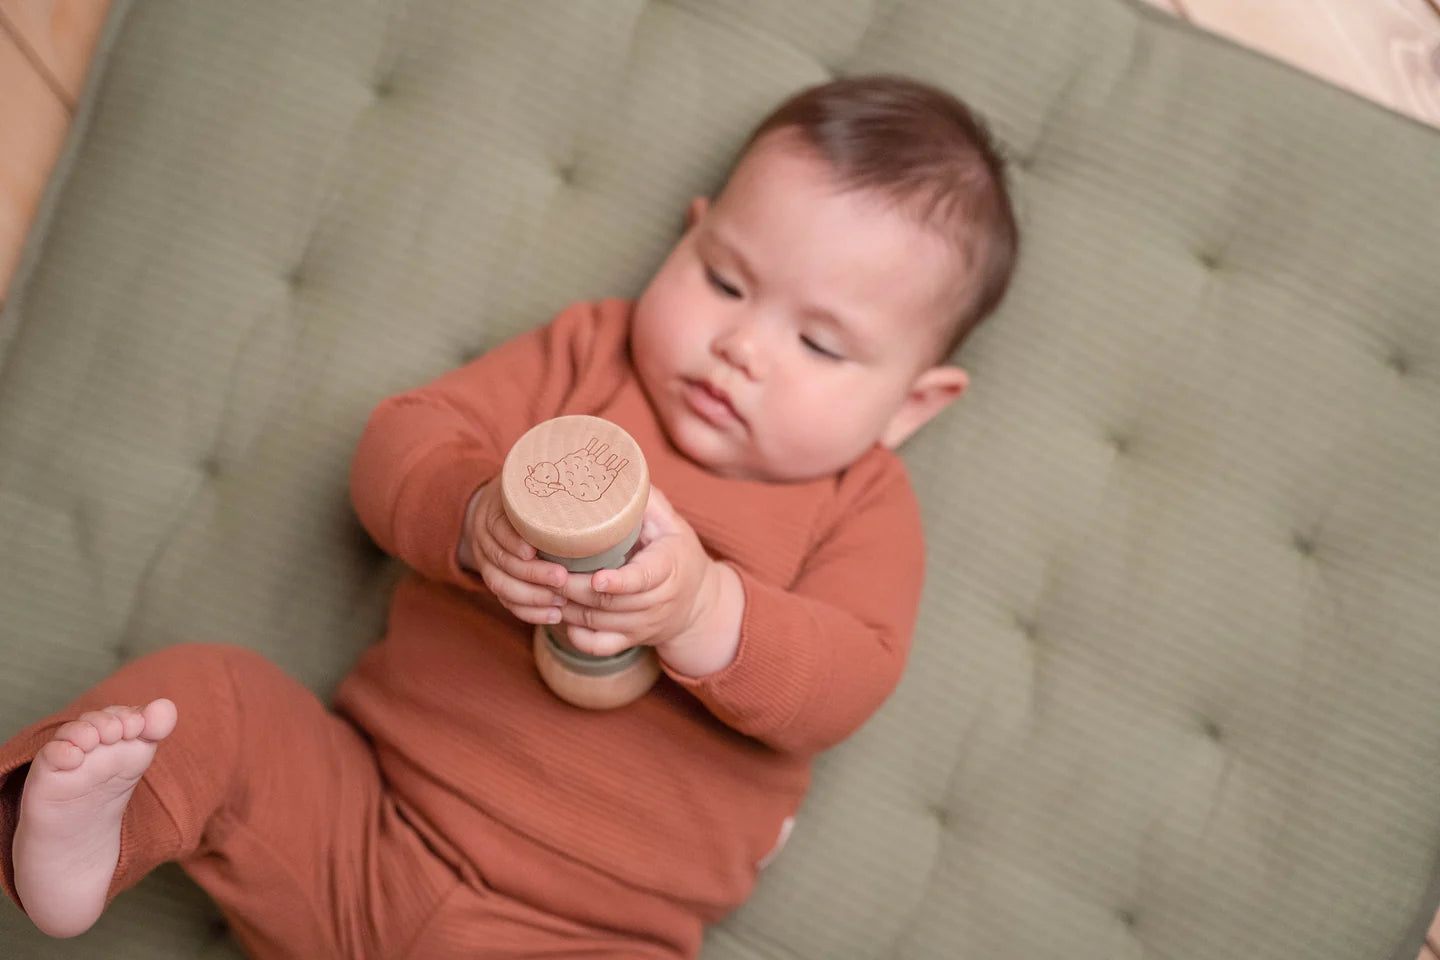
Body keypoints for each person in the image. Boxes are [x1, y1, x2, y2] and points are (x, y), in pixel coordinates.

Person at [0, 74, 1019, 959]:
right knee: (209, 700)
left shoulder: (861, 504)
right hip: (364, 825)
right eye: (723, 280)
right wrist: (475, 512)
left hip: (594, 934)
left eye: (822, 345)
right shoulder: (589, 356)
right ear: (690, 231)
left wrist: (704, 609)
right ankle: (92, 828)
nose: (742, 346)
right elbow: (406, 439)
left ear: (913, 405)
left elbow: (848, 677)